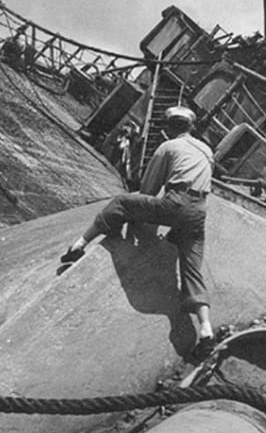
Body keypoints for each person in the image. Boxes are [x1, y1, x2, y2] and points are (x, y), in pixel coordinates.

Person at [61, 106, 216, 358]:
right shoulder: (207, 150)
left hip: (176, 203)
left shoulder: (168, 147)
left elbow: (149, 189)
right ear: (190, 127)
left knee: (122, 203)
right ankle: (206, 330)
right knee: (191, 267)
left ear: (169, 129)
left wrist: (139, 216)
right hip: (199, 211)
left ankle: (77, 245)